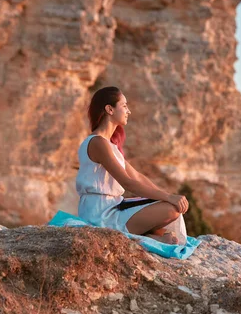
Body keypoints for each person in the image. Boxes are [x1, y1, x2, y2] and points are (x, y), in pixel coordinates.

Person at [75, 86, 189, 244]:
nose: (129, 111)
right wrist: (169, 197)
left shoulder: (109, 145)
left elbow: (137, 177)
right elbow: (129, 183)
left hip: (113, 207)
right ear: (109, 109)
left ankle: (149, 236)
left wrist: (169, 196)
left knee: (171, 214)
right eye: (124, 106)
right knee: (171, 209)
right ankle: (147, 235)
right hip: (100, 213)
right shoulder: (97, 142)